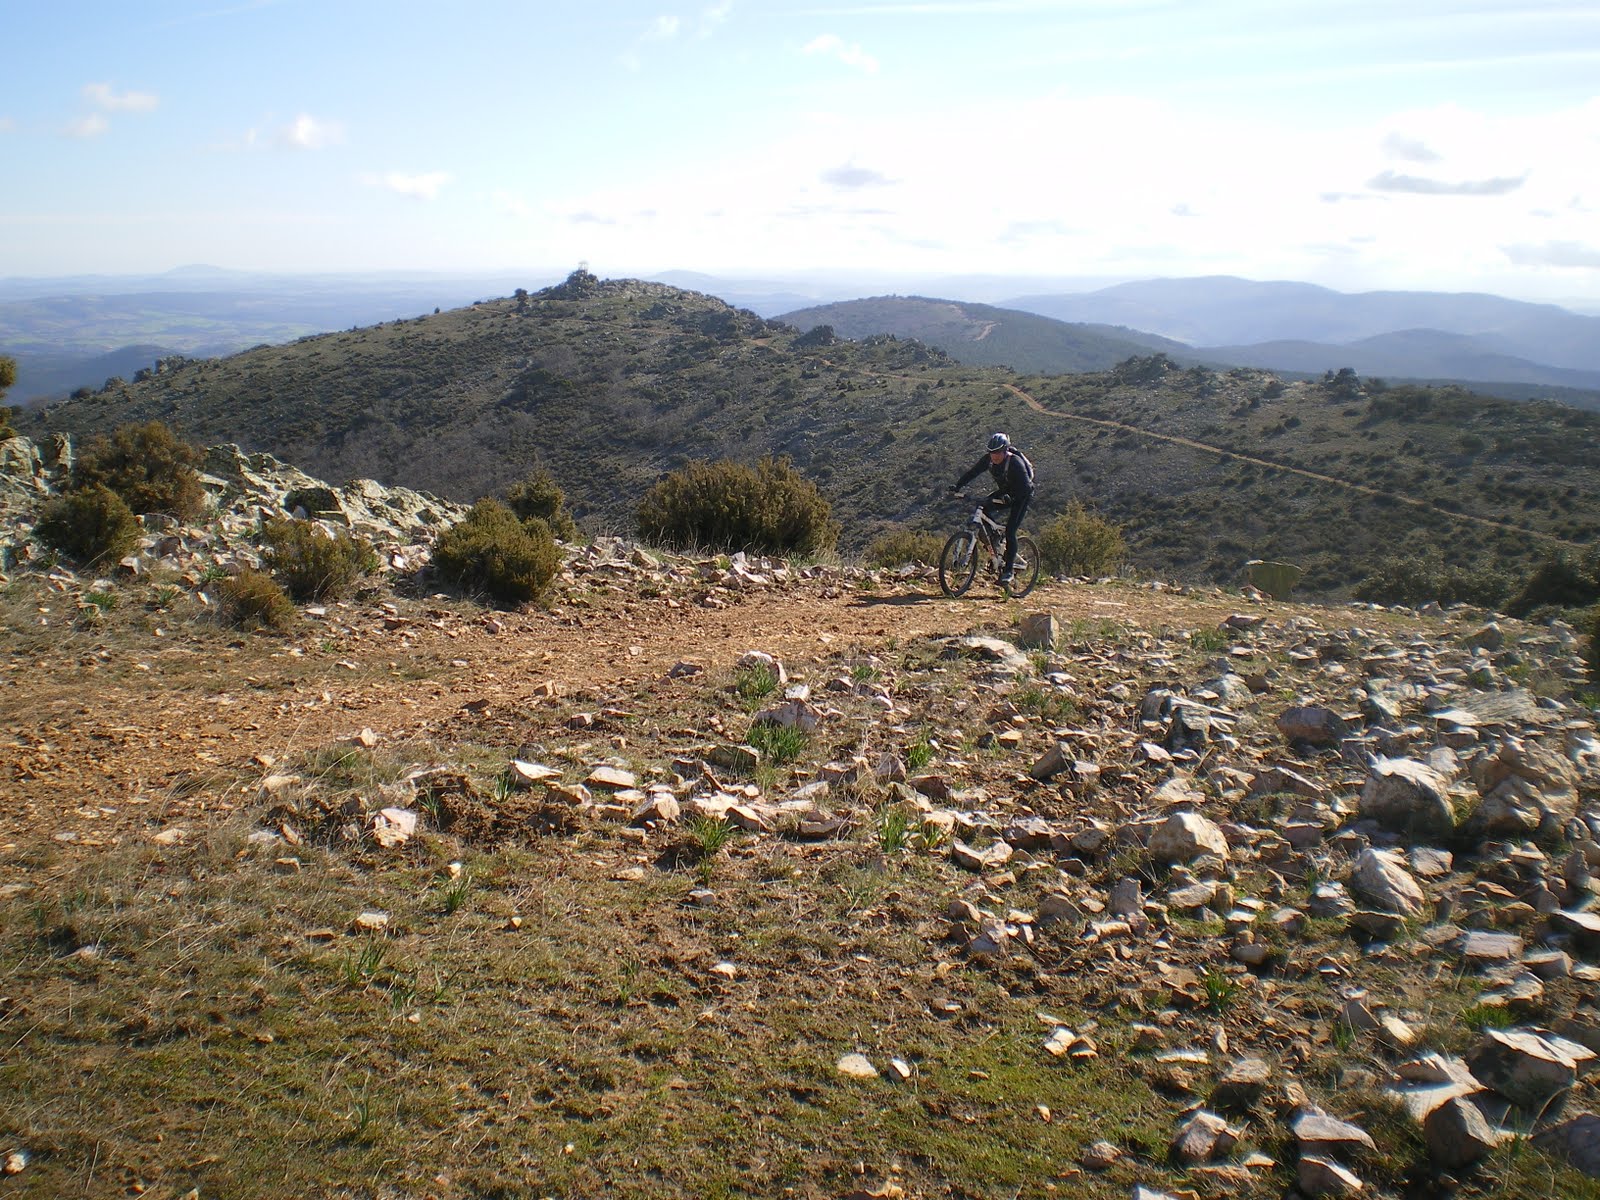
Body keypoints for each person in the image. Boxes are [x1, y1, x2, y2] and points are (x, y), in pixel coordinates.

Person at [951, 432, 1035, 585]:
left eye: (997, 453)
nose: (994, 456)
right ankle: (995, 539)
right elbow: (973, 472)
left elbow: (1026, 488)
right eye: (991, 452)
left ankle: (1008, 571)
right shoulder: (988, 460)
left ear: (1005, 451)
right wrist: (958, 486)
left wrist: (1012, 498)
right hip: (1005, 492)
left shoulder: (1015, 463)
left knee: (1010, 531)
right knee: (982, 507)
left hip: (1022, 495)